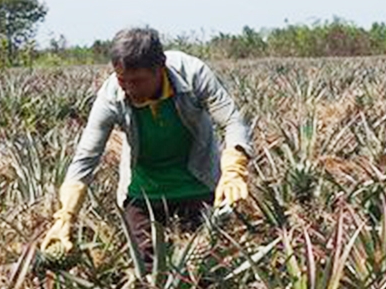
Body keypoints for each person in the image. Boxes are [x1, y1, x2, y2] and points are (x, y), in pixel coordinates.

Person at [39, 26, 253, 268]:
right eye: (122, 80)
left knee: (203, 271)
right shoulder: (111, 96)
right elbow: (85, 159)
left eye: (138, 81)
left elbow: (233, 120)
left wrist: (234, 168)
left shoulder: (192, 73)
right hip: (143, 192)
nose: (129, 88)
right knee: (147, 272)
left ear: (160, 68)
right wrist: (66, 216)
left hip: (196, 184)